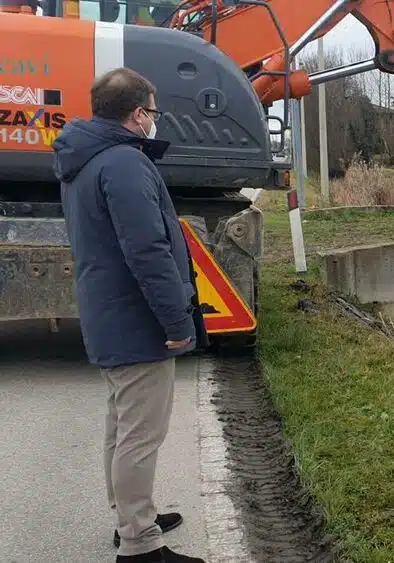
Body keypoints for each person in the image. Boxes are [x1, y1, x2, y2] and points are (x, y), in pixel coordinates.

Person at [52, 68, 205, 563]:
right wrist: (178, 322)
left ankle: (132, 517)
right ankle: (139, 547)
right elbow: (149, 252)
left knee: (122, 426)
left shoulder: (87, 159)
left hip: (110, 312)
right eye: (154, 112)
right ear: (139, 114)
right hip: (137, 321)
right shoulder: (123, 163)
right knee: (140, 435)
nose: (156, 121)